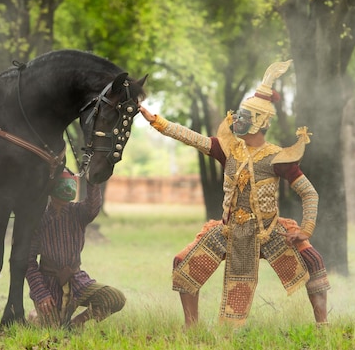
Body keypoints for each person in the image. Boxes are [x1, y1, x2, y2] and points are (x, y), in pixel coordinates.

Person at [139, 60, 330, 327]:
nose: (236, 120)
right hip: (229, 231)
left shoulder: (278, 158)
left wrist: (306, 229)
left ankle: (323, 326)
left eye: (243, 116)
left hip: (267, 232)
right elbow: (191, 137)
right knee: (182, 263)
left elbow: (309, 193)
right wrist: (157, 121)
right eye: (238, 115)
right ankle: (191, 328)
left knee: (313, 261)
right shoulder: (227, 148)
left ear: (260, 121)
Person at [25, 169, 126, 329]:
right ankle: (35, 314)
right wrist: (41, 294)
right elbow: (28, 262)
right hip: (49, 284)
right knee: (54, 328)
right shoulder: (39, 220)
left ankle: (76, 323)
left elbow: (93, 207)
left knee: (115, 298)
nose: (65, 194)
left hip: (77, 280)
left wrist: (92, 180)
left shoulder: (78, 212)